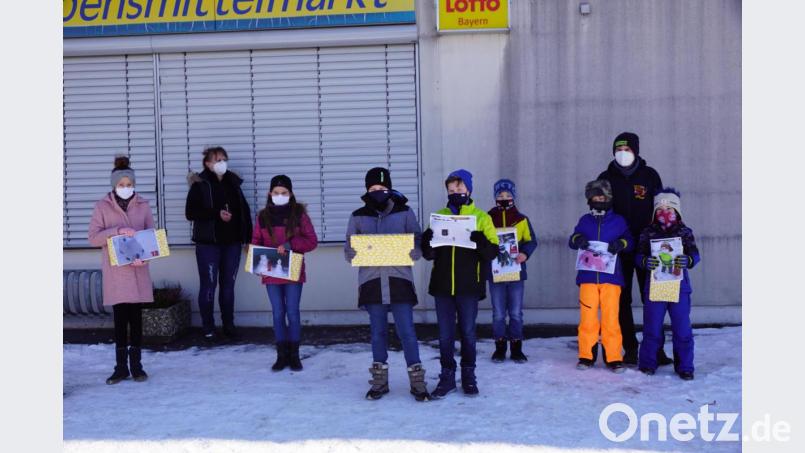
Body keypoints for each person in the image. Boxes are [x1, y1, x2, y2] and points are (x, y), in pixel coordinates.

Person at [344, 167, 430, 401]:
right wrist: (355, 251)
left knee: (407, 332)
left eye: (382, 188)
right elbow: (349, 250)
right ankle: (379, 381)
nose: (378, 192)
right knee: (377, 333)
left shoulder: (404, 212)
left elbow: (418, 239)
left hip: (399, 280)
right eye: (373, 189)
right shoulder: (358, 215)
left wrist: (414, 250)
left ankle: (417, 380)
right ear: (366, 190)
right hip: (372, 282)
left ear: (390, 189)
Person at [421, 169, 498, 398]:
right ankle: (447, 376)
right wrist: (426, 242)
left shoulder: (482, 218)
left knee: (467, 332)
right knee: (445, 334)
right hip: (442, 286)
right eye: (452, 190)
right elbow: (428, 254)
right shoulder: (439, 216)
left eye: (460, 189)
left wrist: (480, 241)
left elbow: (492, 252)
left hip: (469, 286)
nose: (456, 193)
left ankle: (468, 375)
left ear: (469, 190)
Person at [597, 132, 671, 365]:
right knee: (621, 300)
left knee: (654, 298)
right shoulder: (605, 177)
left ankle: (655, 349)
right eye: (619, 149)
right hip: (617, 249)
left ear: (636, 151)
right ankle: (629, 347)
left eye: (627, 150)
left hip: (647, 247)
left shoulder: (649, 176)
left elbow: (661, 209)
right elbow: (598, 209)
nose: (623, 154)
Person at [88, 156, 155, 385]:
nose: (126, 189)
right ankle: (120, 367)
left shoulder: (144, 205)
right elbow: (93, 238)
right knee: (120, 319)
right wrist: (116, 230)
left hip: (137, 271)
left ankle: (137, 366)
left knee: (136, 319)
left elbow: (151, 237)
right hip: (117, 272)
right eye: (121, 185)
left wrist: (145, 259)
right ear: (114, 185)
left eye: (129, 184)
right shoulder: (102, 206)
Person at [185, 146, 253, 340]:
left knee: (228, 285)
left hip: (232, 243)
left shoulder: (233, 183)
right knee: (209, 285)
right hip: (208, 244)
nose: (221, 163)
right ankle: (208, 327)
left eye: (223, 159)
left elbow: (244, 212)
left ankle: (228, 325)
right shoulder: (200, 184)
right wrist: (216, 214)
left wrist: (248, 238)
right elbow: (190, 212)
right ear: (207, 163)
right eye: (217, 160)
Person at [252, 175, 318, 372]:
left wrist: (291, 245)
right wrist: (257, 262)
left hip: (293, 270)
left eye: (284, 193)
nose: (280, 196)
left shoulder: (300, 215)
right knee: (278, 313)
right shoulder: (262, 217)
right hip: (272, 270)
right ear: (270, 194)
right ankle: (281, 355)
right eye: (276, 192)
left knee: (292, 312)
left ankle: (294, 355)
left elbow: (312, 241)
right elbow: (256, 241)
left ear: (290, 194)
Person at [568, 179, 633, 373]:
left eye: (602, 196)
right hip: (588, 278)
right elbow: (572, 240)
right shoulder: (584, 221)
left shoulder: (619, 221)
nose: (599, 200)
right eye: (595, 197)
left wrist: (621, 243)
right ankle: (586, 356)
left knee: (611, 319)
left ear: (609, 198)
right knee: (587, 319)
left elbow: (630, 240)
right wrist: (577, 239)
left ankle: (613, 357)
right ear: (589, 199)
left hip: (611, 279)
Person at [635, 188, 701, 380]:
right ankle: (648, 363)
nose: (665, 211)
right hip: (656, 286)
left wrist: (687, 261)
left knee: (682, 329)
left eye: (669, 208)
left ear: (677, 211)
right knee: (652, 328)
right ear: (654, 211)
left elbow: (695, 255)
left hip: (679, 287)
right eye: (660, 208)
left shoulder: (684, 231)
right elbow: (638, 255)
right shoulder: (648, 232)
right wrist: (645, 261)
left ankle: (685, 367)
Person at [486, 179, 538, 363]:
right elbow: (482, 241)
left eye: (508, 195)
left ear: (514, 197)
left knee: (515, 312)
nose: (504, 198)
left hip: (516, 272)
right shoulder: (487, 218)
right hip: (496, 272)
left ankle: (517, 347)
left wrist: (525, 253)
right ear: (495, 197)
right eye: (500, 195)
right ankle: (500, 347)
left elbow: (531, 241)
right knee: (498, 313)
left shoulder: (522, 219)